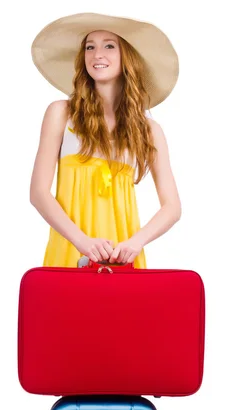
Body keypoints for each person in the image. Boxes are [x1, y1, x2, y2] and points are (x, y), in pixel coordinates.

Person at [29, 13, 182, 268]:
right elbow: (38, 193)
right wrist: (82, 241)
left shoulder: (148, 130)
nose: (97, 54)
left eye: (109, 45)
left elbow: (172, 207)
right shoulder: (61, 114)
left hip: (123, 254)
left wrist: (136, 242)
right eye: (90, 47)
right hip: (71, 249)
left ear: (128, 57)